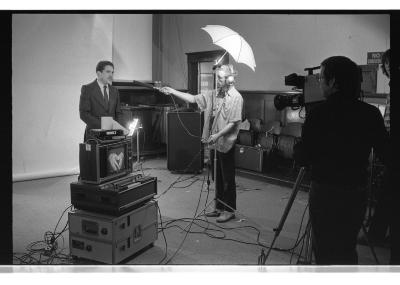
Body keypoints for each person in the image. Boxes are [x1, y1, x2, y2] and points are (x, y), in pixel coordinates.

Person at [294, 56, 388, 264]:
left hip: (325, 193)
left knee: (325, 250)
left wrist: (298, 147)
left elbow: (303, 157)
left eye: (321, 79)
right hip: (356, 193)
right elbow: (386, 153)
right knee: (347, 247)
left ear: (333, 82)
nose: (319, 83)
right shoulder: (371, 114)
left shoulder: (318, 114)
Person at [160, 64, 243, 223]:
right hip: (214, 142)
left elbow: (233, 123)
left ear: (230, 79)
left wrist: (218, 135)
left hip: (225, 143)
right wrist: (172, 91)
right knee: (217, 176)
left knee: (227, 178)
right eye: (217, 77)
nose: (217, 80)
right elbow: (193, 98)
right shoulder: (213, 94)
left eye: (220, 78)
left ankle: (229, 209)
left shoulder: (236, 97)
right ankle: (219, 206)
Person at [79, 60, 124, 142]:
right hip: (94, 137)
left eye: (112, 72)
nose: (111, 75)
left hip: (113, 136)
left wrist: (118, 130)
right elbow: (84, 114)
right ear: (99, 73)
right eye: (108, 72)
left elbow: (118, 113)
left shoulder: (115, 91)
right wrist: (104, 126)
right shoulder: (87, 89)